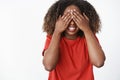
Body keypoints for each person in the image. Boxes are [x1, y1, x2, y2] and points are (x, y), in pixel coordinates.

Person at [42, 0, 106, 80]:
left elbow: (99, 62)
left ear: (84, 18)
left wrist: (87, 29)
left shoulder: (89, 37)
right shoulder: (53, 37)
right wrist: (57, 31)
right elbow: (49, 66)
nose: (72, 22)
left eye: (76, 17)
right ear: (58, 19)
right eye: (67, 17)